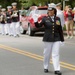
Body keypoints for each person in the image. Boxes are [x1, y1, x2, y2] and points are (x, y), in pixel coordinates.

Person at [35, 3, 64, 75]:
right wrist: (35, 21)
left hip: (56, 38)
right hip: (47, 38)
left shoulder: (57, 19)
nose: (50, 12)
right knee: (47, 54)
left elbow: (60, 29)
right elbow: (38, 26)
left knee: (56, 54)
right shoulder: (45, 19)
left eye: (51, 11)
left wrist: (62, 40)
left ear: (54, 11)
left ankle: (57, 69)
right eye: (49, 11)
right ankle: (46, 66)